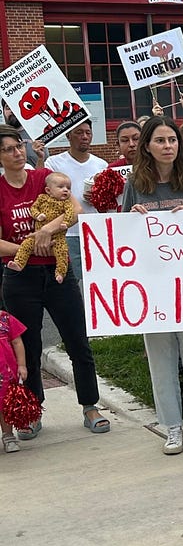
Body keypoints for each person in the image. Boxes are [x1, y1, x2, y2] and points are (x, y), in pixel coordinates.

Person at [0, 124, 109, 438]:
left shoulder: (42, 177)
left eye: (18, 146)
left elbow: (75, 209)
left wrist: (48, 230)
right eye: (8, 149)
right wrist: (29, 246)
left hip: (58, 272)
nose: (17, 153)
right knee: (29, 347)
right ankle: (33, 410)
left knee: (77, 340)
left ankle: (90, 405)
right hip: (19, 276)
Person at [122, 116, 183, 455]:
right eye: (160, 140)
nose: (167, 146)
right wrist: (131, 219)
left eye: (172, 140)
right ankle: (172, 426)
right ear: (146, 146)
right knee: (160, 360)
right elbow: (122, 239)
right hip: (152, 289)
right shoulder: (135, 184)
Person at [45, 120, 107, 285]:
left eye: (88, 132)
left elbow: (108, 202)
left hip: (94, 231)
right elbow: (46, 193)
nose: (84, 136)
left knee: (97, 280)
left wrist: (98, 198)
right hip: (67, 233)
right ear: (68, 136)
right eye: (79, 132)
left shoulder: (102, 164)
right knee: (71, 283)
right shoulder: (53, 162)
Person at [9, 171, 75, 283]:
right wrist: (38, 215)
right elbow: (33, 208)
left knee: (62, 252)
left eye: (68, 188)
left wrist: (65, 222)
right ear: (48, 190)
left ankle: (60, 273)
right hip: (37, 236)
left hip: (58, 238)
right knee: (26, 244)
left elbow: (71, 212)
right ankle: (19, 263)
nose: (65, 190)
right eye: (61, 187)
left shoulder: (66, 203)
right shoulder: (42, 198)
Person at [0, 309, 27, 453]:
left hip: (5, 375)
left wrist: (21, 365)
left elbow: (17, 342)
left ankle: (8, 436)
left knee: (5, 406)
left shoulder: (5, 319)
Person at [1, 100, 48, 167]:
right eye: (8, 108)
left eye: (16, 107)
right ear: (3, 111)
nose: (12, 111)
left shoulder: (37, 133)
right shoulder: (1, 136)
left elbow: (45, 166)